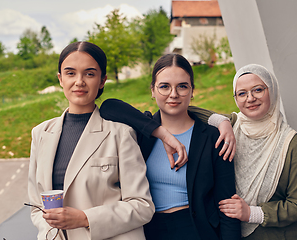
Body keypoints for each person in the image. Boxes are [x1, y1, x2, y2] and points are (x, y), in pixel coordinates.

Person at [100, 53, 241, 240]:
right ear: (152, 90)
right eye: (164, 87)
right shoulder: (142, 132)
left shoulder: (213, 136)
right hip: (147, 229)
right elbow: (108, 107)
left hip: (195, 230)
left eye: (182, 86)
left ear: (192, 91)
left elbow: (227, 205)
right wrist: (162, 133)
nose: (173, 94)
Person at [27, 41, 155, 240]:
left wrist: (85, 218)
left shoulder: (120, 133)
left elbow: (142, 206)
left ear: (102, 80)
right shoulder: (40, 133)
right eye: (70, 73)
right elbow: (37, 207)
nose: (79, 81)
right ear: (60, 79)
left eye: (89, 73)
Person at [211, 64, 297, 239]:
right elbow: (189, 112)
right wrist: (220, 121)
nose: (250, 98)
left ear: (272, 90)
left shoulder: (292, 144)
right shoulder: (231, 127)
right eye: (242, 93)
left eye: (258, 90)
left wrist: (251, 213)